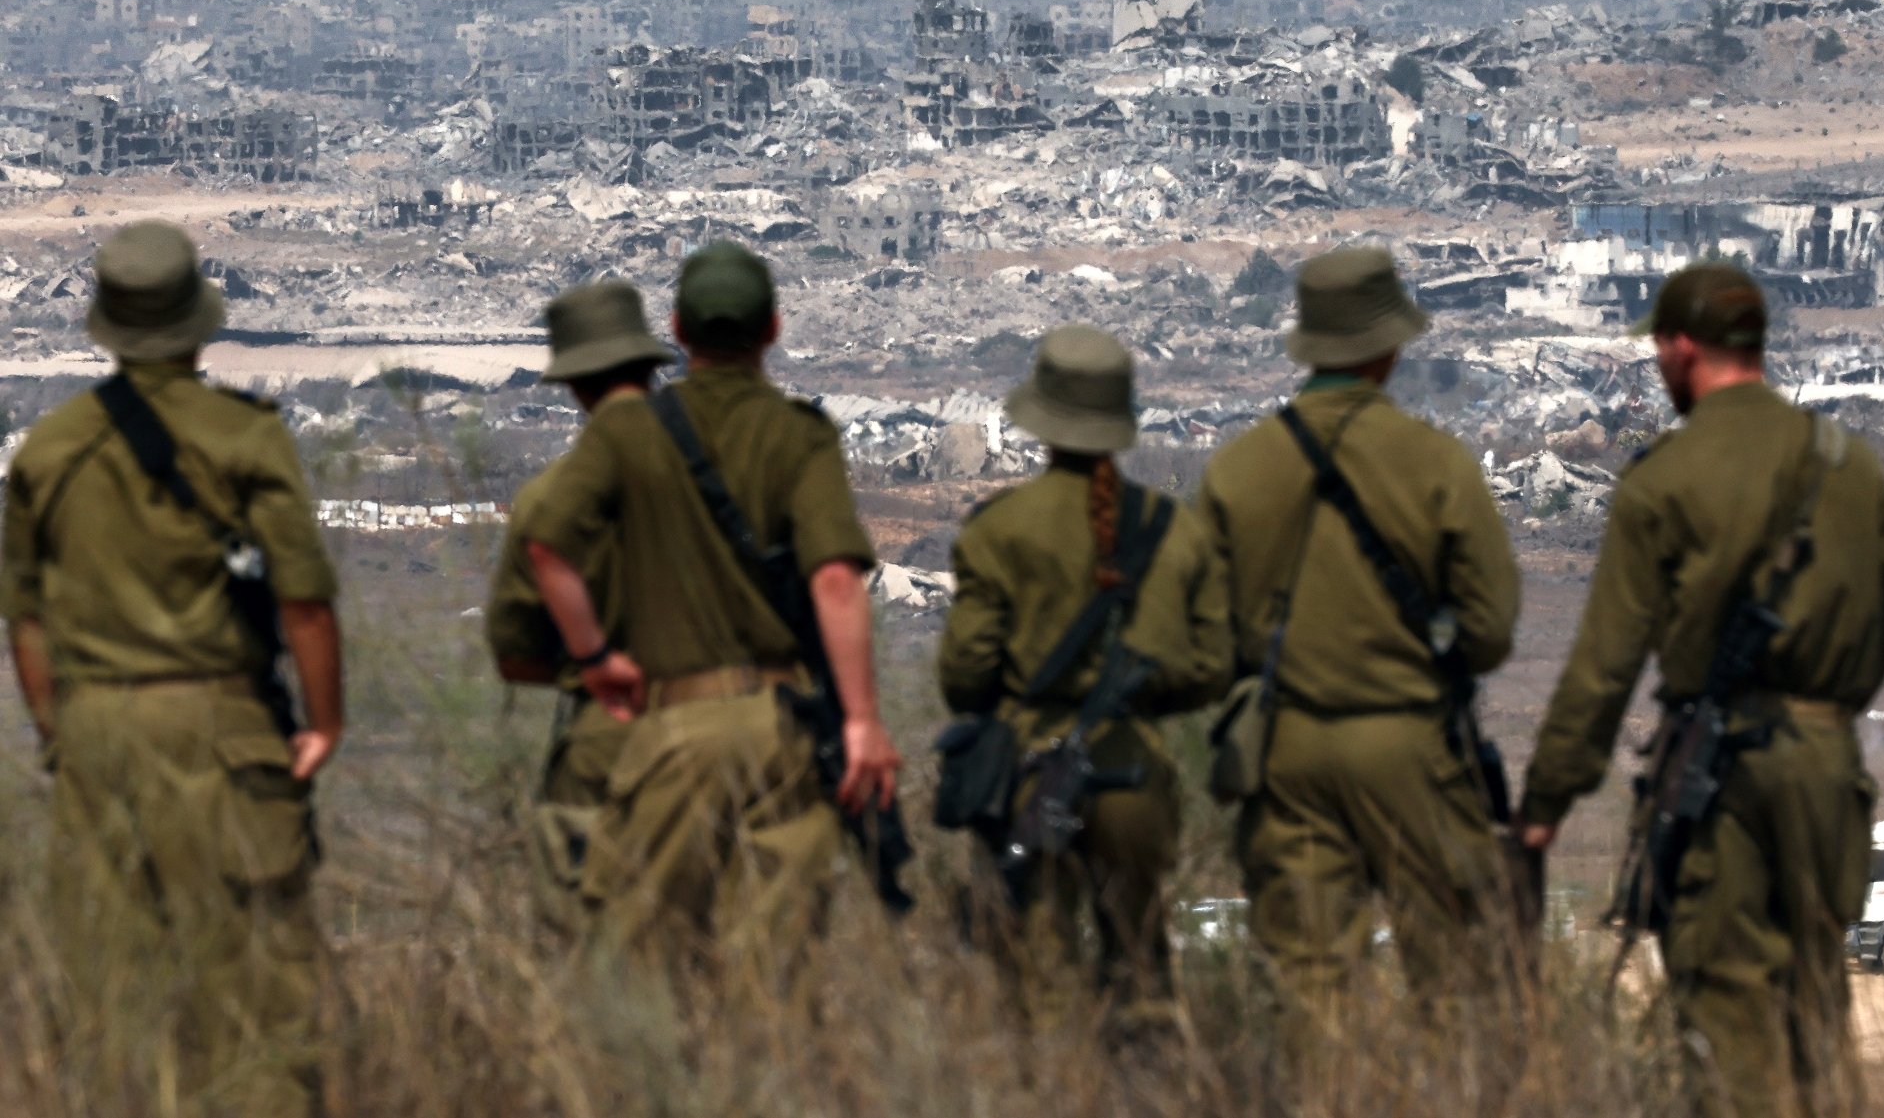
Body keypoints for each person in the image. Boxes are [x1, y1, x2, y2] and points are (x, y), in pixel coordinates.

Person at [1518, 263, 1884, 1118]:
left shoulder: (1665, 477)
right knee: (1817, 1008)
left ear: (1683, 348)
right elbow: (1878, 635)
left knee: (1726, 1030)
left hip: (1722, 778)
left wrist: (1544, 802)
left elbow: (1605, 664)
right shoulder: (1850, 468)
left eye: (1659, 349)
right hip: (1830, 773)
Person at [1, 221, 341, 1115]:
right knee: (258, 997)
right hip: (225, 730)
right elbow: (304, 600)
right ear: (198, 323)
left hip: (99, 735)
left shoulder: (48, 451)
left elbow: (26, 618)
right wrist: (324, 720)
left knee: (114, 994)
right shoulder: (245, 437)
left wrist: (57, 730)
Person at [521, 242, 903, 980]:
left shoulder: (628, 430)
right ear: (774, 328)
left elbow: (547, 548)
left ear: (676, 329)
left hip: (671, 728)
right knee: (777, 972)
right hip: (783, 729)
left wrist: (596, 659)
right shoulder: (800, 433)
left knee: (645, 966)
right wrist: (861, 720)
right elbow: (834, 579)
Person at [1197, 247, 1520, 1029]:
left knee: (1308, 987)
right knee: (1454, 978)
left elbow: (1203, 640)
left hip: (1287, 753)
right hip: (1412, 744)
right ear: (1388, 346)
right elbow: (1491, 626)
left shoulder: (1237, 470)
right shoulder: (1436, 461)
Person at [938, 325, 1230, 1038]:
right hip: (1134, 776)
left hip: (1032, 782)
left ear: (1041, 420)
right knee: (1142, 974)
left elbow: (964, 673)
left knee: (1034, 992)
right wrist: (1142, 692)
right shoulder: (1173, 527)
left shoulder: (998, 529)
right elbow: (1214, 663)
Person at [486, 279, 670, 936]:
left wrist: (591, 663)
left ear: (574, 384)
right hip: (739, 725)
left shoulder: (548, 498)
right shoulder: (731, 472)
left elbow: (515, 655)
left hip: (608, 737)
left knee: (594, 940)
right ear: (652, 367)